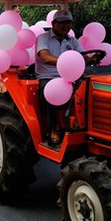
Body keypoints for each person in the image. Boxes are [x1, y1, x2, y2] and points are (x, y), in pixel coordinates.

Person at [35, 9, 100, 147]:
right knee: (51, 92)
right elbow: (45, 57)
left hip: (70, 76)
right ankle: (53, 128)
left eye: (68, 22)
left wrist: (92, 59)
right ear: (53, 23)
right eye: (62, 22)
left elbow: (82, 57)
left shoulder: (73, 41)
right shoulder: (43, 38)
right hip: (49, 75)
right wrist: (66, 61)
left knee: (88, 90)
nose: (65, 26)